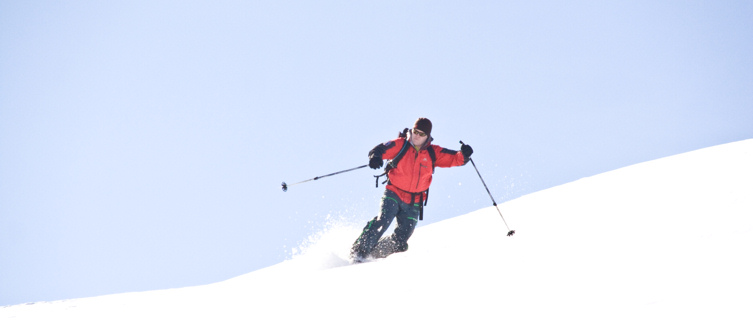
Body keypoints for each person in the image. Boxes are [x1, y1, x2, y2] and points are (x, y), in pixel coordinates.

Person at [350, 118, 473, 262]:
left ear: (427, 137)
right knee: (383, 221)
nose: (417, 136)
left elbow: (455, 158)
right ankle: (359, 252)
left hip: (415, 201)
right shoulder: (401, 145)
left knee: (401, 240)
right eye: (415, 132)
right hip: (393, 193)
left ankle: (374, 254)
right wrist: (375, 157)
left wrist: (464, 154)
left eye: (421, 134)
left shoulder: (433, 152)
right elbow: (380, 149)